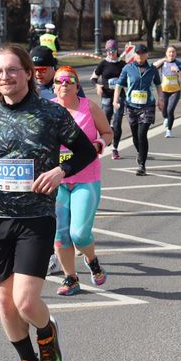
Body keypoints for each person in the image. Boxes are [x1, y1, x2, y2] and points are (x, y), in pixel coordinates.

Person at [0, 44, 98, 361]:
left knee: (25, 300)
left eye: (12, 70)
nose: (5, 76)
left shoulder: (51, 114)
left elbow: (87, 152)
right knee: (5, 303)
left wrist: (60, 170)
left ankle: (47, 332)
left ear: (27, 73)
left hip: (35, 219)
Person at [50, 66, 113, 296]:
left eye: (70, 81)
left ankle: (92, 259)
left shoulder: (89, 107)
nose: (64, 84)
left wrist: (100, 144)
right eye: (59, 81)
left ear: (77, 86)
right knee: (60, 234)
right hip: (57, 181)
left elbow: (108, 132)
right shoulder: (48, 110)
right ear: (53, 86)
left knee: (79, 234)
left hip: (86, 179)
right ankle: (71, 278)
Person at [113, 43, 164, 176]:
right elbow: (119, 85)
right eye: (138, 54)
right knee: (135, 136)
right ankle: (140, 153)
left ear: (147, 55)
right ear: (134, 55)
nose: (140, 56)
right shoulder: (127, 68)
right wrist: (115, 100)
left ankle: (142, 164)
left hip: (147, 106)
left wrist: (160, 99)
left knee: (142, 134)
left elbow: (158, 85)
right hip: (131, 106)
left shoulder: (152, 69)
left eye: (143, 54)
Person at [91, 39, 126, 160]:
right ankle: (108, 136)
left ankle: (115, 149)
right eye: (108, 50)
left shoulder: (122, 64)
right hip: (106, 95)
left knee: (117, 122)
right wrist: (97, 85)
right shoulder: (103, 64)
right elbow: (93, 77)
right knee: (105, 121)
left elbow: (129, 79)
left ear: (117, 50)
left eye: (113, 50)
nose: (111, 52)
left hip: (120, 96)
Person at [154, 45, 181, 138]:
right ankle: (166, 118)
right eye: (169, 52)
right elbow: (153, 67)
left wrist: (177, 71)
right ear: (166, 53)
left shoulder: (179, 64)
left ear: (176, 54)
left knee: (170, 110)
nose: (171, 54)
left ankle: (169, 130)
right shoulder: (163, 63)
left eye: (173, 52)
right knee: (163, 110)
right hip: (164, 91)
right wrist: (163, 60)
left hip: (175, 91)